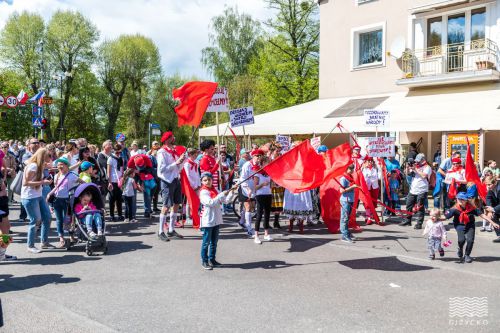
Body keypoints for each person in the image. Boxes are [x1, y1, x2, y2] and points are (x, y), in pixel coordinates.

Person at [444, 192, 498, 263]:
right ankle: (460, 248)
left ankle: (467, 255)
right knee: (461, 240)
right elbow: (444, 217)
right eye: (458, 198)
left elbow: (482, 215)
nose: (460, 200)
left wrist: (492, 223)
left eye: (462, 199)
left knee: (470, 240)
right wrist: (434, 218)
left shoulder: (471, 208)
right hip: (459, 225)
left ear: (466, 200)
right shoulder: (454, 209)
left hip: (470, 225)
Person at [198, 172, 237, 270]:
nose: (207, 182)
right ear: (202, 181)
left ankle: (212, 259)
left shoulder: (215, 189)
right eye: (205, 180)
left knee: (214, 242)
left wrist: (232, 191)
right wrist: (221, 195)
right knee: (206, 242)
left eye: (209, 179)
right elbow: (210, 202)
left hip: (216, 219)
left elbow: (226, 201)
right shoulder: (203, 192)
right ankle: (204, 261)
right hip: (208, 220)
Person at [21, 148, 53, 253]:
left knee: (47, 217)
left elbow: (53, 167)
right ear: (43, 156)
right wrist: (43, 182)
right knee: (35, 220)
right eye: (48, 156)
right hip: (29, 197)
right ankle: (30, 245)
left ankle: (44, 242)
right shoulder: (33, 166)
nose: (50, 159)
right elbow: (26, 183)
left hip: (38, 196)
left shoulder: (39, 165)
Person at [156, 131, 186, 241]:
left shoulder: (174, 151)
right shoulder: (161, 152)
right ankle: (160, 231)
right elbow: (162, 169)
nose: (174, 138)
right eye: (172, 136)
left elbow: (178, 168)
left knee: (177, 204)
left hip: (176, 179)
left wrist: (182, 161)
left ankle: (171, 230)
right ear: (167, 139)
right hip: (166, 181)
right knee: (166, 206)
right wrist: (177, 162)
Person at [47, 157, 81, 248]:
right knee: (59, 220)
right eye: (58, 165)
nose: (59, 166)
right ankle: (61, 238)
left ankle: (71, 236)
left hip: (68, 201)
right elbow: (56, 187)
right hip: (57, 200)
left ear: (67, 166)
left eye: (61, 164)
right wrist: (49, 194)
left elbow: (82, 183)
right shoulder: (57, 175)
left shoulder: (72, 175)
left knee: (69, 219)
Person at [399, 153, 431, 229]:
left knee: (420, 207)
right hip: (413, 189)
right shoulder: (416, 166)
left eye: (419, 161)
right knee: (408, 205)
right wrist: (407, 168)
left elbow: (424, 175)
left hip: (422, 190)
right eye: (416, 161)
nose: (417, 162)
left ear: (423, 160)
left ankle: (419, 223)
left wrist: (416, 169)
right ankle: (408, 220)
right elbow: (408, 174)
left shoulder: (427, 167)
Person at [239, 149, 263, 237]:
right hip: (245, 188)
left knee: (250, 208)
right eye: (257, 156)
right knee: (248, 207)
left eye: (260, 156)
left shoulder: (260, 165)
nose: (259, 158)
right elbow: (242, 179)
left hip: (254, 189)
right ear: (253, 156)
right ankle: (249, 229)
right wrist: (247, 189)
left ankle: (241, 221)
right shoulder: (247, 165)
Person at [127, 153, 155, 218]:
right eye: (139, 166)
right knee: (132, 193)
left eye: (142, 166)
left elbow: (150, 170)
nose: (140, 168)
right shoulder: (130, 162)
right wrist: (136, 184)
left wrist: (142, 182)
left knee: (147, 192)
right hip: (134, 174)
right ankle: (132, 214)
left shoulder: (147, 159)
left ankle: (147, 211)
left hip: (145, 173)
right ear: (135, 163)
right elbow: (128, 173)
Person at [253, 156, 273, 244]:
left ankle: (266, 233)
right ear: (262, 163)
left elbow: (271, 185)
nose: (269, 163)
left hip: (268, 194)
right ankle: (256, 235)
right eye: (267, 162)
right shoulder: (257, 173)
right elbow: (255, 187)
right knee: (259, 215)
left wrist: (274, 185)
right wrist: (262, 184)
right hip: (260, 195)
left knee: (267, 214)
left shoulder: (269, 173)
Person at [339, 164, 358, 243]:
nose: (352, 170)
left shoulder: (350, 177)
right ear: (346, 169)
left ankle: (346, 232)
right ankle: (344, 235)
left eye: (353, 169)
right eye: (350, 169)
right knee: (344, 218)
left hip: (350, 199)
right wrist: (352, 187)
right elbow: (341, 191)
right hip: (345, 200)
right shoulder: (343, 178)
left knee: (347, 218)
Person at [0, 170, 16, 261]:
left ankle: (2, 254)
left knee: (6, 228)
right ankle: (1, 255)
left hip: (2, 203)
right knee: (5, 229)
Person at [107, 143, 125, 221]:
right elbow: (108, 171)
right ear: (114, 151)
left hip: (119, 181)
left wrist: (123, 178)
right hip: (113, 180)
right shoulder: (110, 158)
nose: (118, 154)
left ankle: (120, 215)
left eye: (120, 152)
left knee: (119, 198)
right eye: (117, 152)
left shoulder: (121, 158)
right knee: (112, 199)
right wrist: (109, 182)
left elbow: (121, 169)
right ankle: (112, 215)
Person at [184, 148, 201, 225]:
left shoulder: (196, 162)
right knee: (189, 201)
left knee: (198, 200)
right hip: (191, 185)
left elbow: (197, 174)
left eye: (196, 154)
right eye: (194, 154)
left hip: (197, 184)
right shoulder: (187, 163)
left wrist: (198, 183)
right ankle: (188, 217)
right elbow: (187, 176)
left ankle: (195, 214)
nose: (196, 155)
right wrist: (192, 185)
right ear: (190, 154)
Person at [362, 158, 379, 224]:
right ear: (366, 162)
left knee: (373, 202)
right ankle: (368, 216)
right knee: (367, 202)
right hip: (366, 187)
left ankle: (370, 215)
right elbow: (362, 177)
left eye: (371, 161)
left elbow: (379, 177)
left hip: (374, 187)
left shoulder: (375, 168)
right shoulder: (363, 169)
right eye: (369, 161)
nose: (370, 162)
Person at [484, 176, 500, 242]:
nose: (487, 186)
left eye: (489, 184)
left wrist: (493, 210)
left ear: (495, 183)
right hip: (497, 208)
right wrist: (490, 211)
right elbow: (488, 198)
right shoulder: (490, 189)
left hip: (497, 208)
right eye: (486, 184)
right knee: (493, 216)